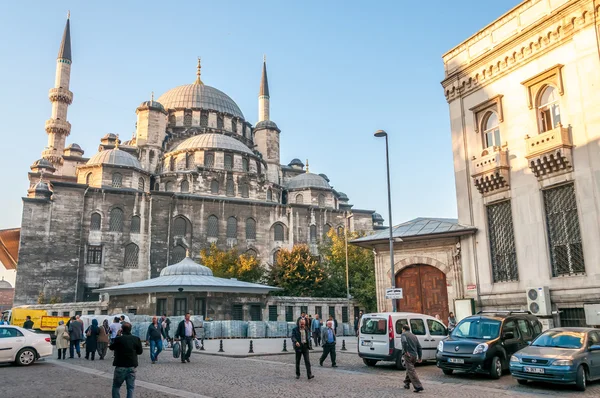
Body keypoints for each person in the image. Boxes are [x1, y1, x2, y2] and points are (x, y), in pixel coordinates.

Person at [110, 322, 143, 398]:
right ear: (130, 329)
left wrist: (117, 335)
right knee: (130, 388)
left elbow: (111, 347)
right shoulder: (136, 339)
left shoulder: (118, 339)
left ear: (122, 329)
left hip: (120, 366)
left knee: (116, 387)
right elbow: (140, 352)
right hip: (131, 366)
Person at [401, 325, 424, 393]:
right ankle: (406, 383)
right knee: (409, 369)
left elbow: (404, 342)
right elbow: (419, 347)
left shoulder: (403, 334)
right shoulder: (414, 336)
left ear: (404, 329)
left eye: (402, 329)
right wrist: (420, 357)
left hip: (408, 355)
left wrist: (405, 351)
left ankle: (418, 386)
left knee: (411, 371)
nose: (402, 331)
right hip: (414, 355)